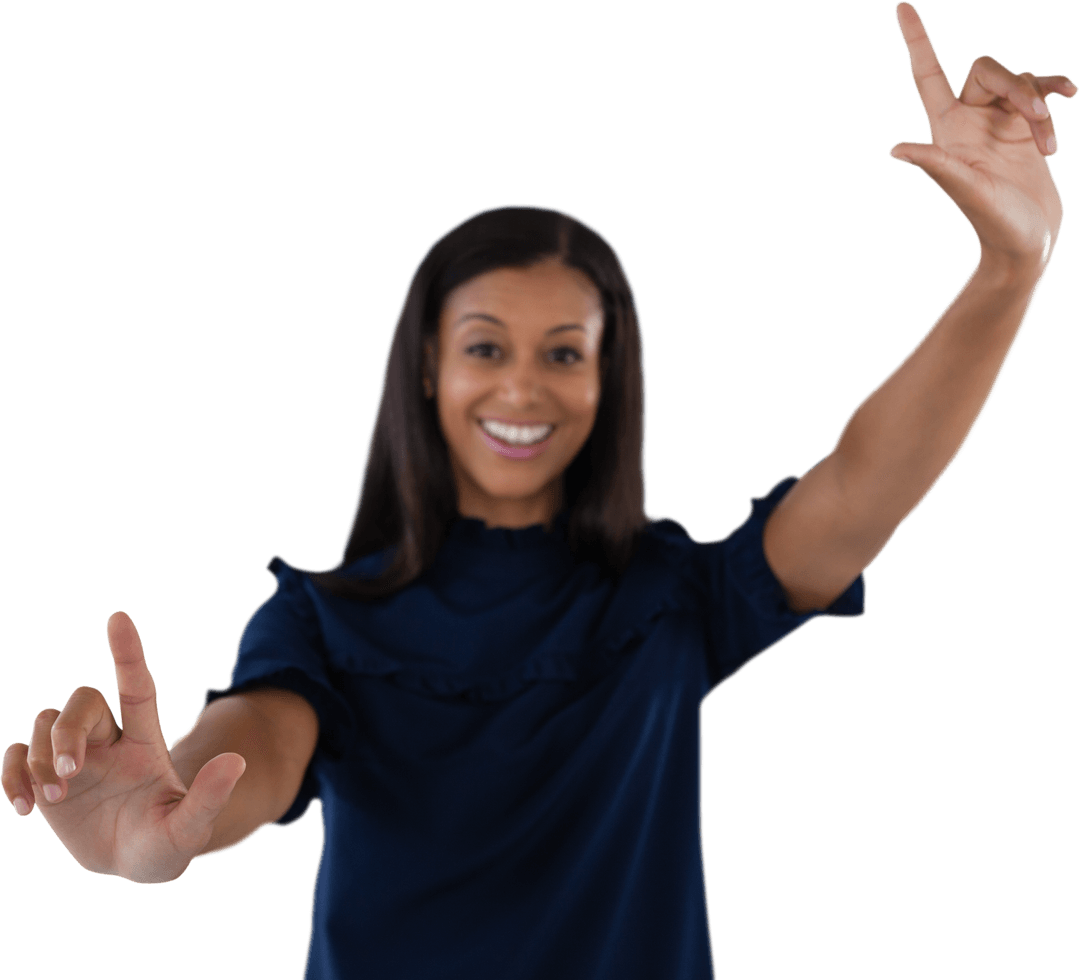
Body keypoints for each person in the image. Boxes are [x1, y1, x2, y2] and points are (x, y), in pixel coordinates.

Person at [2, 4, 1074, 977]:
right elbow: (258, 748)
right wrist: (174, 808)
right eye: (484, 346)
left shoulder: (668, 597)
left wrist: (1009, 266)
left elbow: (861, 486)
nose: (523, 385)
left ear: (612, 384)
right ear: (426, 370)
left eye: (566, 353)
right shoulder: (321, 622)